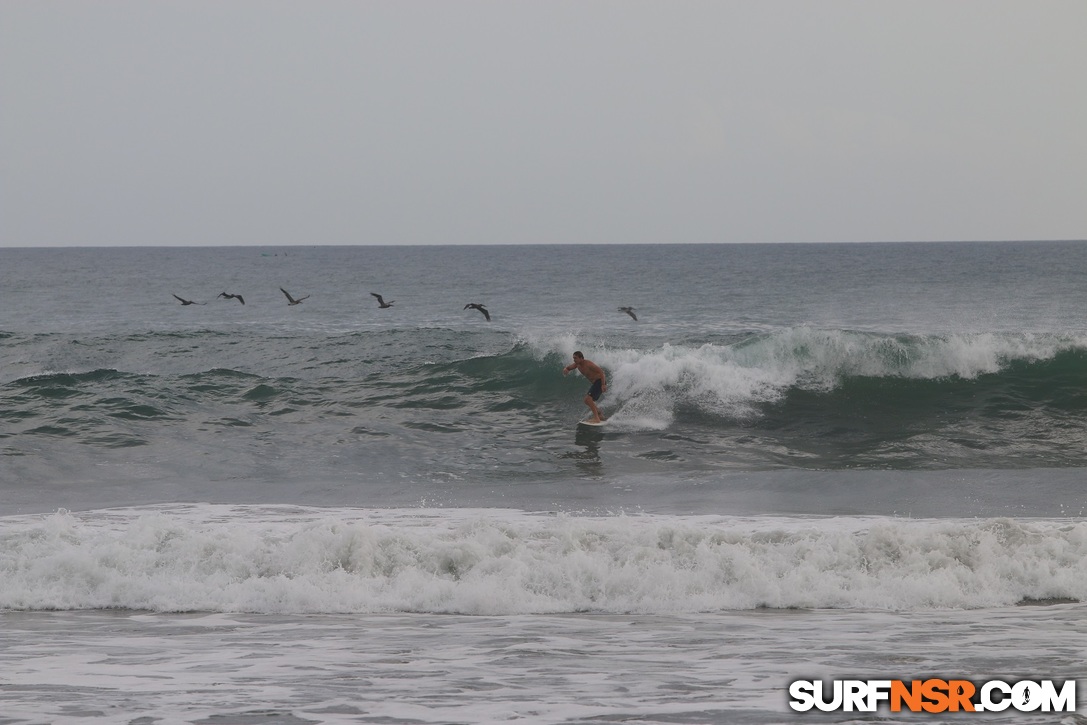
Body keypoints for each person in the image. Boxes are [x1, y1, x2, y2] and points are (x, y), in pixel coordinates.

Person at [562, 351, 607, 422]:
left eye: (575, 358)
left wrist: (603, 384)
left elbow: (602, 372)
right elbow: (569, 367)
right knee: (586, 400)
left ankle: (596, 418)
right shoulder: (577, 365)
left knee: (588, 399)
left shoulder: (588, 364)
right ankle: (599, 414)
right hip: (595, 383)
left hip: (599, 382)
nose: (574, 360)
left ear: (581, 358)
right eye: (573, 358)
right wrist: (566, 369)